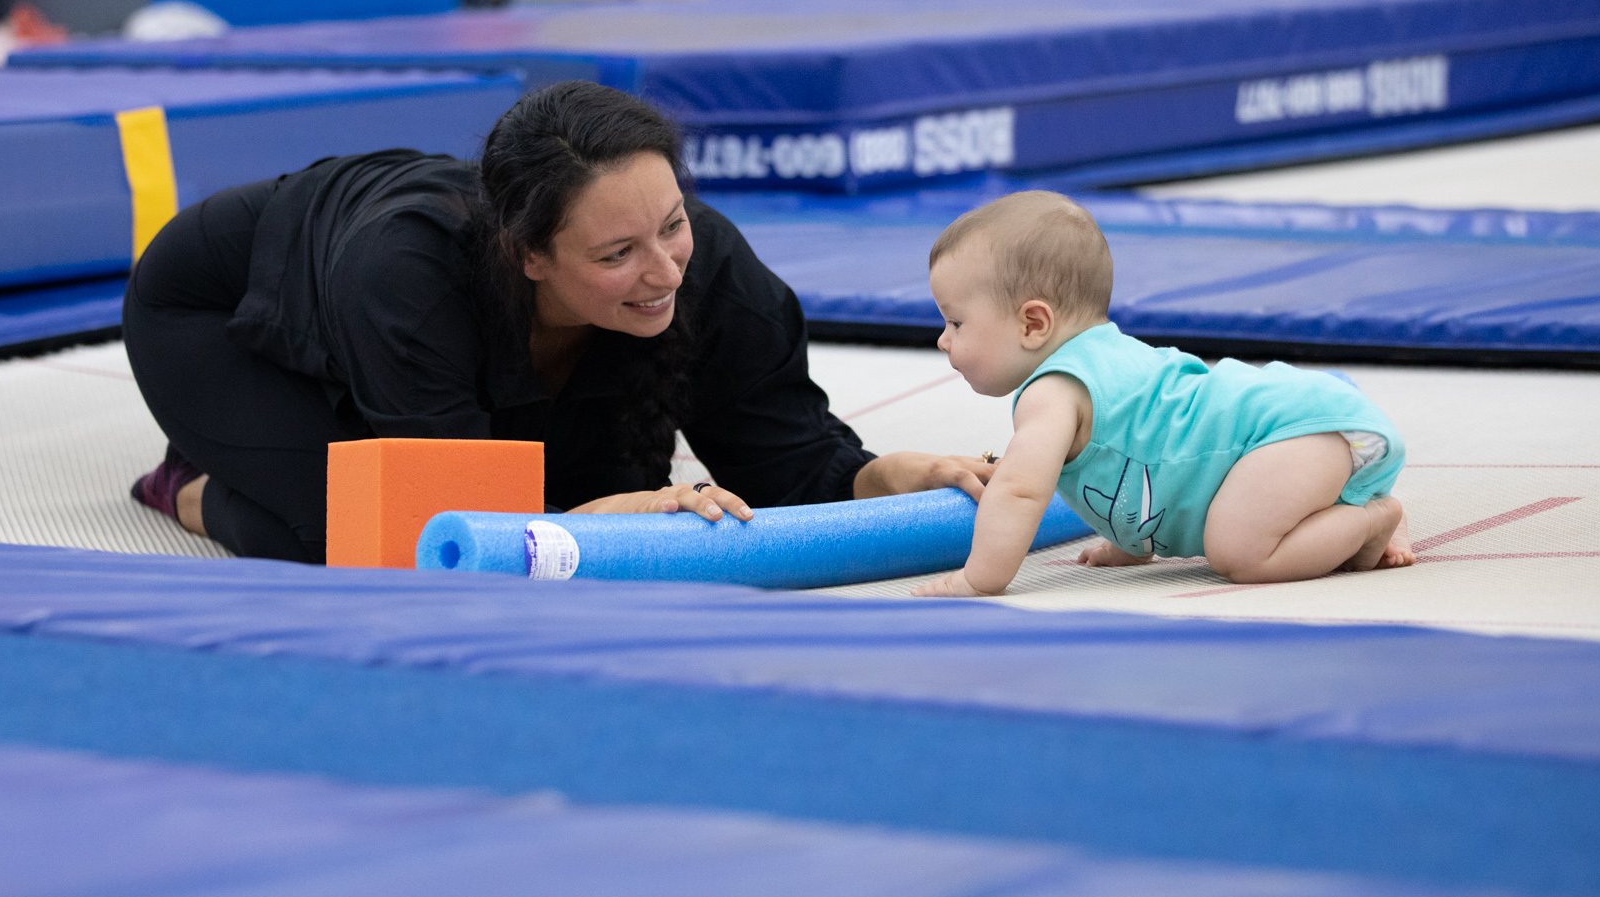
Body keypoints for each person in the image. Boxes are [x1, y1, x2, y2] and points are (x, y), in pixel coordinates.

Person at [124, 81, 990, 562]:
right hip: (217, 318)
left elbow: (791, 461)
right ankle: (191, 478)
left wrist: (894, 477)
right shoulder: (409, 277)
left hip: (412, 329)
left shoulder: (703, 260)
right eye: (617, 255)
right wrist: (613, 519)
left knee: (594, 490)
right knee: (348, 536)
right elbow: (460, 530)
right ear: (528, 255)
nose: (662, 273)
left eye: (672, 224)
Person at [914, 191, 1415, 598]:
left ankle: (1373, 516)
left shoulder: (1052, 391)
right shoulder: (1108, 357)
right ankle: (1354, 525)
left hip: (1284, 433)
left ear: (1033, 323)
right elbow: (1147, 454)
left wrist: (980, 577)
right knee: (1240, 531)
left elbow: (1020, 492)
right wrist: (1131, 542)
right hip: (1295, 428)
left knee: (1239, 553)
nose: (944, 339)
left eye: (956, 321)